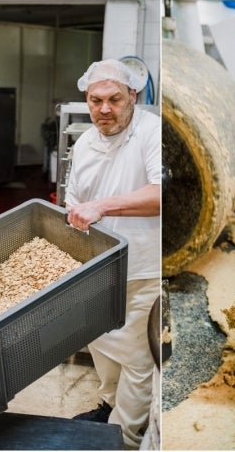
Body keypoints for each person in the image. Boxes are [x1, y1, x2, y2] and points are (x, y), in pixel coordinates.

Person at [64, 59, 161, 448]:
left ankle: (124, 437)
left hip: (142, 267)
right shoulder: (85, 143)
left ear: (132, 97)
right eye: (95, 100)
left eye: (114, 100)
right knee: (101, 342)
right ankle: (108, 404)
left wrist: (102, 207)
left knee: (137, 359)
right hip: (98, 268)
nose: (104, 109)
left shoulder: (152, 132)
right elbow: (74, 204)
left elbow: (159, 194)